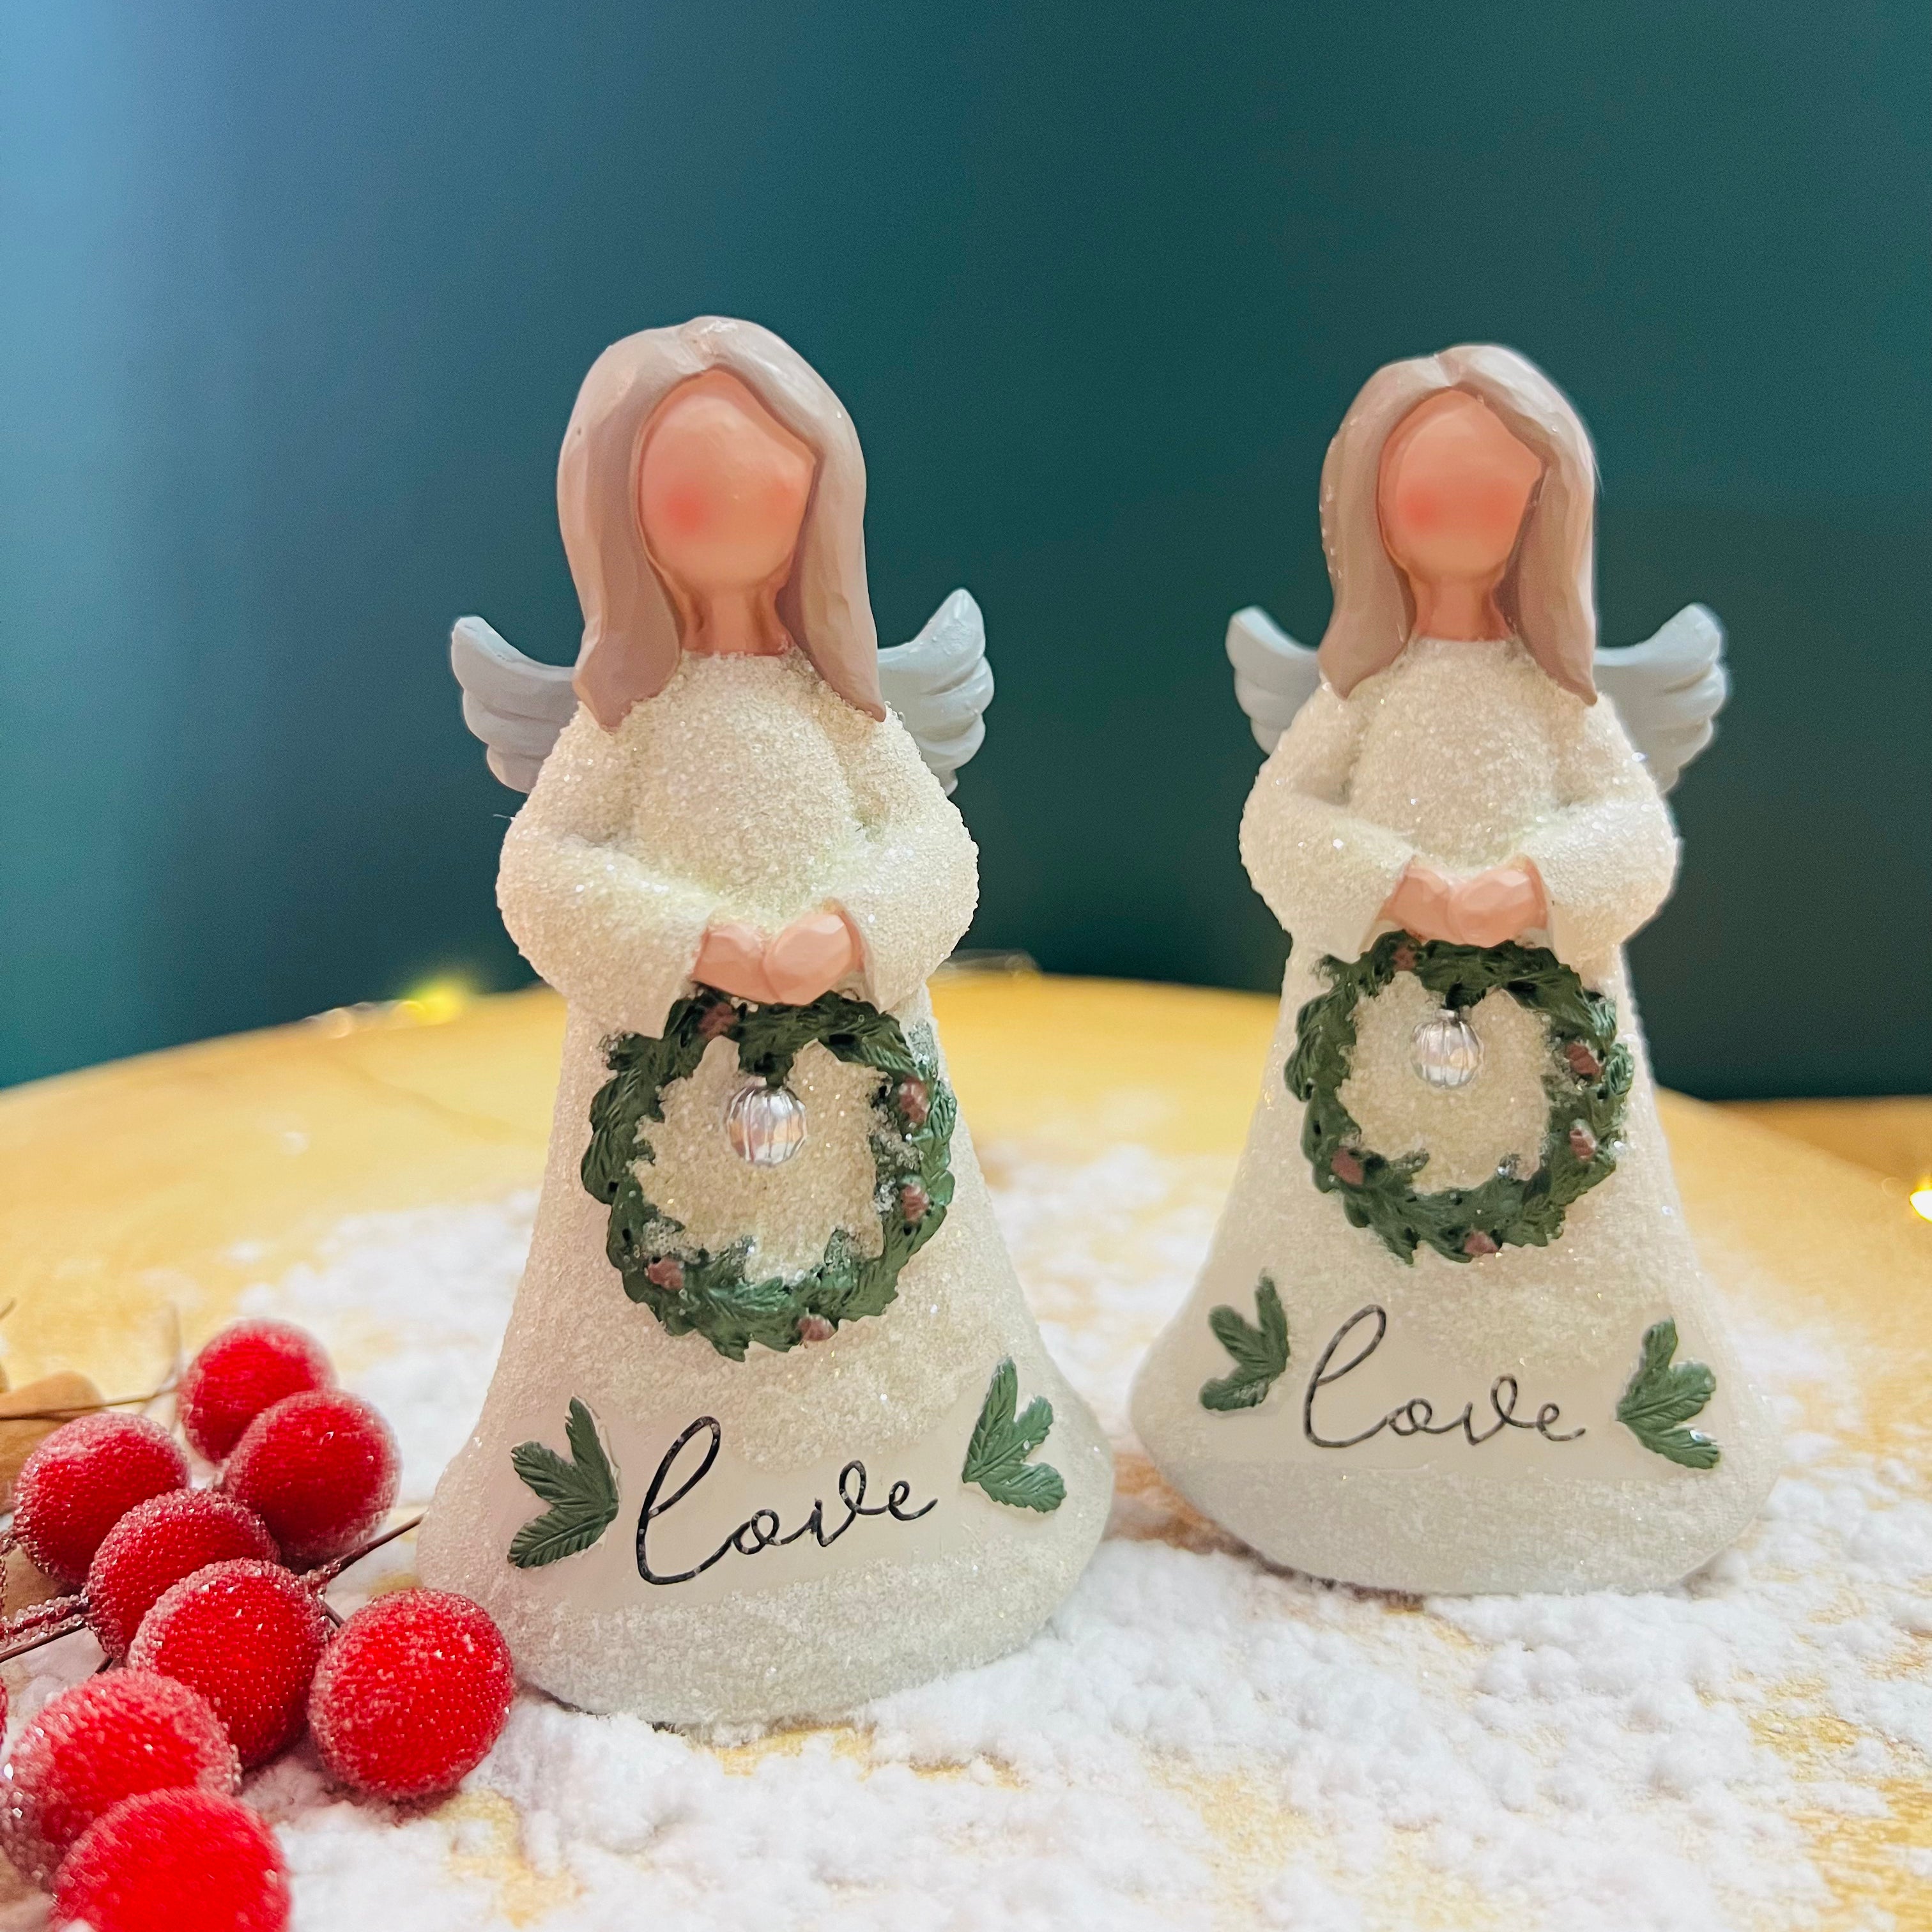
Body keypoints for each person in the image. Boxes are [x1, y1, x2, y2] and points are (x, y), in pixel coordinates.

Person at [420, 318, 1108, 1721]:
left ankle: (924, 1487)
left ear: (820, 496)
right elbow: (545, 874)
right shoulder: (623, 723)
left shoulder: (847, 715)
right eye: (693, 485)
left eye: (772, 480)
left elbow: (935, 854)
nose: (740, 513)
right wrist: (696, 942)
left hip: (862, 1108)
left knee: (886, 1282)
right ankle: (654, 1543)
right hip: (668, 1122)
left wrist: (847, 932)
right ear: (619, 512)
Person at [1131, 346, 1779, 1594]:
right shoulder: (1364, 694)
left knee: (1559, 1239)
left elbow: (1634, 835)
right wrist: (1393, 882)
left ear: (1547, 512)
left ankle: (1585, 1435)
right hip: (1369, 1054)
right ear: (1374, 506)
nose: (1464, 517)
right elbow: (1281, 823)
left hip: (1551, 1060)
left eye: (1500, 492)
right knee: (1348, 1221)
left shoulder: (1561, 698)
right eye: (1431, 490)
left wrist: (1533, 889)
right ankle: (1317, 1421)